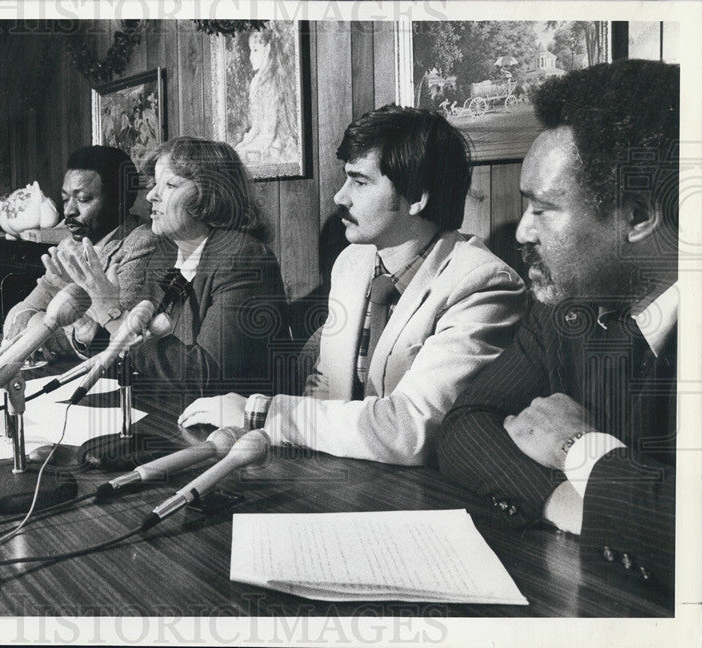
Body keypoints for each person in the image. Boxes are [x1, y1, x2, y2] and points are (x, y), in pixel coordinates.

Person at [434, 60, 680, 590]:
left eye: (544, 209)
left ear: (638, 217)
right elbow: (466, 425)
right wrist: (561, 499)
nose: (521, 231)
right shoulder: (567, 312)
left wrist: (581, 450)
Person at [180, 106, 526, 465]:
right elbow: (325, 385)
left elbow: (411, 430)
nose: (339, 197)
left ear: (418, 197)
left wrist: (261, 414)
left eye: (359, 182)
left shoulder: (484, 285)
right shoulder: (352, 262)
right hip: (342, 475)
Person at [59, 136, 289, 396]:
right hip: (172, 410)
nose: (151, 196)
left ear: (210, 195)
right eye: (155, 184)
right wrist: (91, 328)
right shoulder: (167, 254)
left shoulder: (242, 256)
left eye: (170, 185)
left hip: (233, 423)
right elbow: (143, 358)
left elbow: (205, 374)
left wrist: (112, 314)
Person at [2, 146, 159, 358]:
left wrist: (37, 326)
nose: (68, 211)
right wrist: (38, 321)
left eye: (83, 199)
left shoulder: (142, 242)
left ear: (119, 201)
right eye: (66, 199)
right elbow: (22, 309)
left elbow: (108, 336)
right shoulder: (69, 245)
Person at [234, 26, 299, 166]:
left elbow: (268, 134)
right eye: (251, 50)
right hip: (263, 140)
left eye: (256, 50)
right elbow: (256, 128)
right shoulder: (257, 81)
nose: (251, 56)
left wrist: (245, 149)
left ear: (268, 49)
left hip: (277, 146)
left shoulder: (273, 82)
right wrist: (242, 145)